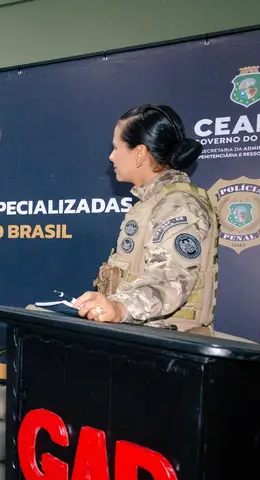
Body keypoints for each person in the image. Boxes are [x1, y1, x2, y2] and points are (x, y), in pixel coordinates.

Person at [73, 104, 219, 334]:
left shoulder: (179, 205)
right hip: (147, 337)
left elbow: (171, 279)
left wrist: (120, 308)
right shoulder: (153, 202)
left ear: (139, 153)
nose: (111, 157)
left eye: (116, 148)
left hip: (173, 344)